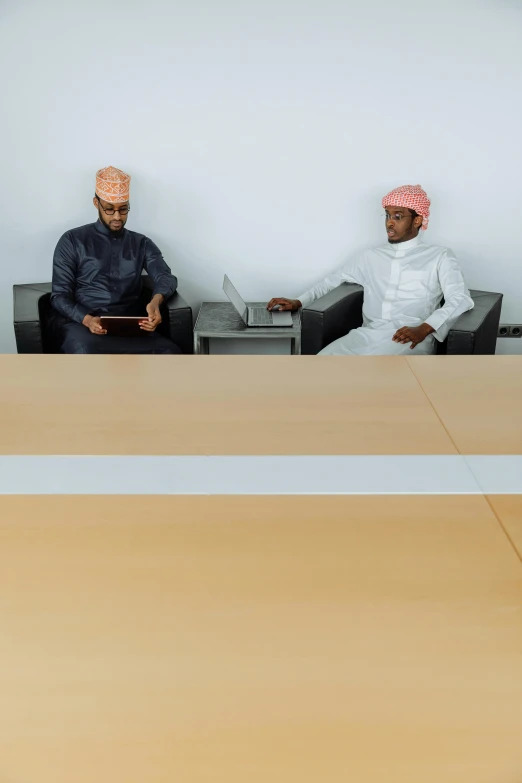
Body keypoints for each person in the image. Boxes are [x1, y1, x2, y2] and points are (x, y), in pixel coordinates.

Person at [267, 184, 474, 355]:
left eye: (398, 216)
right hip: (367, 334)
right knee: (321, 362)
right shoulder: (370, 257)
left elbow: (460, 298)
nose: (390, 223)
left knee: (373, 374)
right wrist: (299, 301)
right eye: (387, 215)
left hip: (410, 338)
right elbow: (332, 280)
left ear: (418, 220)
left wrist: (425, 328)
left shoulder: (440, 256)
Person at [49, 166, 180, 354]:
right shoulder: (72, 240)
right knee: (88, 354)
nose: (118, 217)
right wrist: (86, 319)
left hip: (131, 325)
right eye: (110, 210)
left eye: (123, 209)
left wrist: (155, 302)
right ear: (96, 203)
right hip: (83, 325)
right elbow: (59, 296)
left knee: (171, 353)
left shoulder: (141, 243)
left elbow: (166, 277)